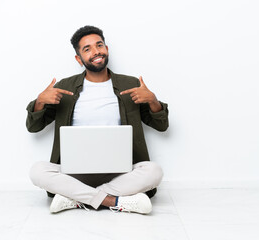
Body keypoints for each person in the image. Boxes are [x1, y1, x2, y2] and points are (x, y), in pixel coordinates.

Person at [26, 25, 169, 214]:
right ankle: (114, 200)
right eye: (87, 49)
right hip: (76, 174)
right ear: (79, 59)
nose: (96, 52)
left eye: (99, 45)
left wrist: (152, 100)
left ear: (106, 49)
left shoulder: (131, 84)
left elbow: (162, 125)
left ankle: (76, 198)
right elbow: (34, 127)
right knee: (37, 170)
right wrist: (39, 102)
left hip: (120, 173)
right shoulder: (65, 87)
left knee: (154, 171)